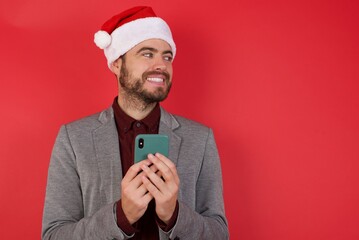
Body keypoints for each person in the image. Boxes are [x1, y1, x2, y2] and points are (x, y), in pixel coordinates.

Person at [42, 6, 228, 240]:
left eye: (167, 56)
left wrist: (174, 214)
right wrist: (120, 216)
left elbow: (220, 234)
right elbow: (53, 235)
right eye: (147, 54)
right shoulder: (73, 138)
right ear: (117, 64)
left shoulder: (200, 139)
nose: (161, 65)